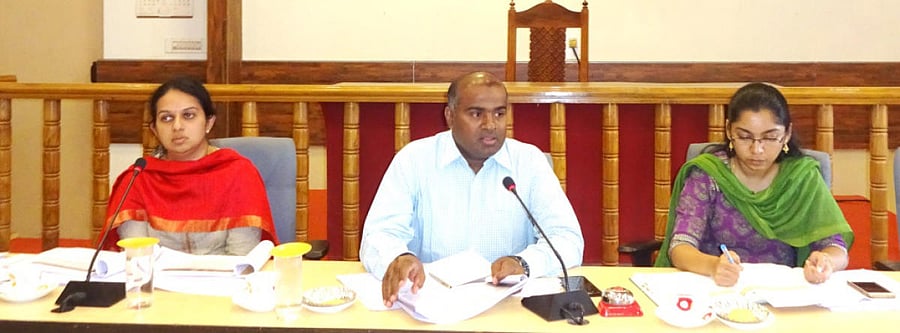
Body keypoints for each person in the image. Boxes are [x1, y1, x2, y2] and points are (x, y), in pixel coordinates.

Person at [360, 72, 584, 307]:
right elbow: (379, 234)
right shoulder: (414, 160)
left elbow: (567, 239)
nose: (490, 125)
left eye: (499, 113)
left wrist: (524, 263)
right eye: (476, 114)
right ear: (450, 115)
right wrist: (398, 258)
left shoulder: (528, 162)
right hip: (430, 304)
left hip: (508, 307)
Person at [655, 82, 854, 287]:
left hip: (781, 292)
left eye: (770, 137)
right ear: (729, 131)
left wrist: (825, 262)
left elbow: (834, 245)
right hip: (716, 288)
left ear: (786, 134)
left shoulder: (800, 178)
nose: (757, 149)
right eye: (744, 136)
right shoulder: (708, 175)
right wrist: (714, 266)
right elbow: (680, 247)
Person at [102, 76, 277, 255]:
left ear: (208, 122)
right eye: (167, 118)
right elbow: (137, 259)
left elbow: (242, 259)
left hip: (225, 280)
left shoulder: (238, 173)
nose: (177, 126)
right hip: (156, 281)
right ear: (154, 129)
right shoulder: (139, 179)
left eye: (188, 115)